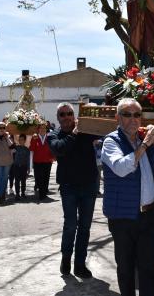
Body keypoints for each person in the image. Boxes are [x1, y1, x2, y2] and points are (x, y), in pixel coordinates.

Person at [101, 98, 154, 296]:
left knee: (149, 268)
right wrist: (144, 144)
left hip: (150, 215)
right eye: (127, 114)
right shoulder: (111, 141)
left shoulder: (149, 140)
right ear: (118, 118)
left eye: (137, 115)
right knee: (126, 268)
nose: (133, 119)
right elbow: (121, 167)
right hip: (123, 216)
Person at [48, 102, 100, 278]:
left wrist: (96, 110)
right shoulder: (53, 135)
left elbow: (103, 127)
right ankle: (66, 258)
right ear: (58, 118)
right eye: (62, 114)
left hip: (89, 185)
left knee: (85, 227)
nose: (66, 117)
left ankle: (80, 264)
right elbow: (60, 149)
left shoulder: (85, 131)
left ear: (74, 114)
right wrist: (75, 133)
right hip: (69, 187)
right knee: (70, 225)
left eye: (69, 113)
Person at [29, 123, 54, 200]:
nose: (43, 129)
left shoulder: (50, 137)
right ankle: (42, 192)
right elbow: (31, 149)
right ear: (38, 129)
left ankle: (43, 193)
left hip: (47, 161)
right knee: (38, 178)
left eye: (44, 128)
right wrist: (33, 140)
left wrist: (53, 157)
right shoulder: (35, 137)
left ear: (46, 129)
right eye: (41, 128)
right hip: (37, 162)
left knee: (46, 177)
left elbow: (53, 148)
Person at [13, 134, 31, 200]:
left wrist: (29, 168)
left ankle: (23, 193)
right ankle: (17, 194)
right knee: (17, 181)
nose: (21, 141)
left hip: (24, 167)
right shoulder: (16, 148)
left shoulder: (27, 149)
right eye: (20, 140)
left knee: (23, 181)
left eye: (22, 140)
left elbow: (28, 159)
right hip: (16, 166)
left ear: (25, 140)